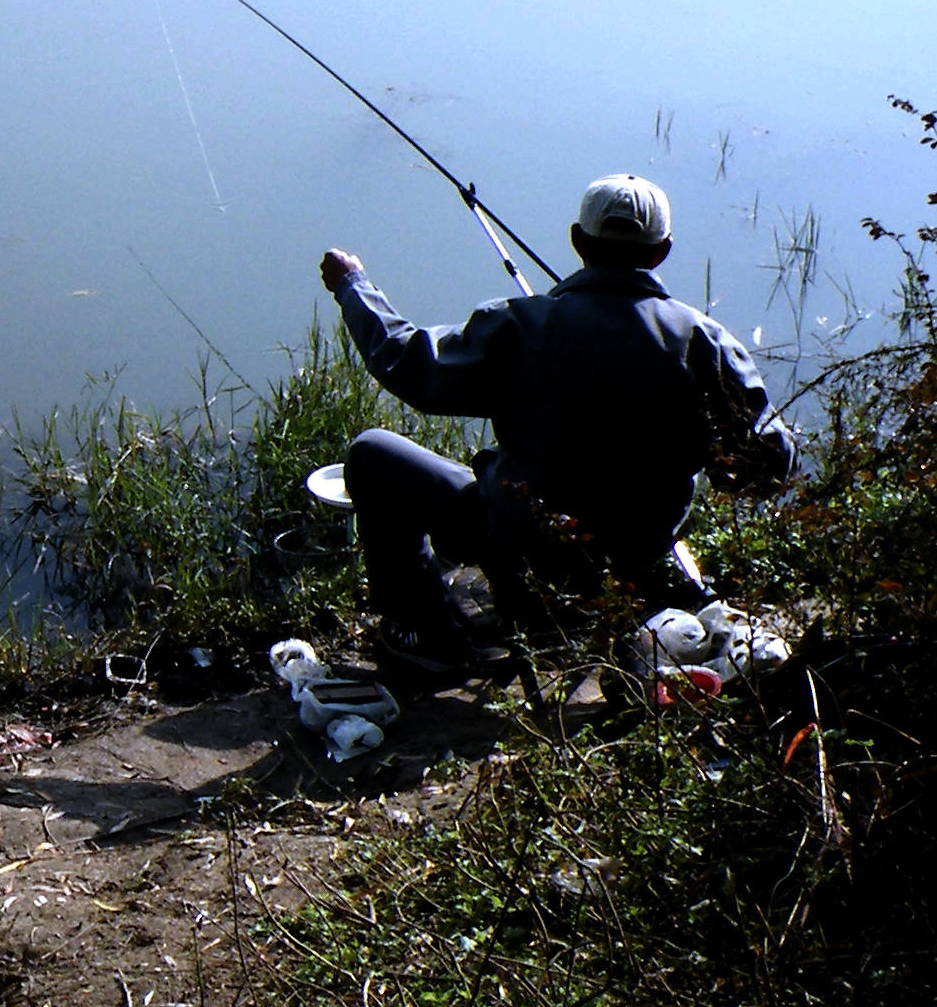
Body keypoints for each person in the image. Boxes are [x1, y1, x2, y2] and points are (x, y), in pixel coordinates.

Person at [320, 172, 795, 671]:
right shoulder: (708, 343)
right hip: (635, 565)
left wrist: (353, 286)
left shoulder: (520, 325)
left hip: (520, 551)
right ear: (662, 251)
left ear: (577, 241)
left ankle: (429, 636)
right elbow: (770, 463)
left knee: (373, 453)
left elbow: (408, 363)